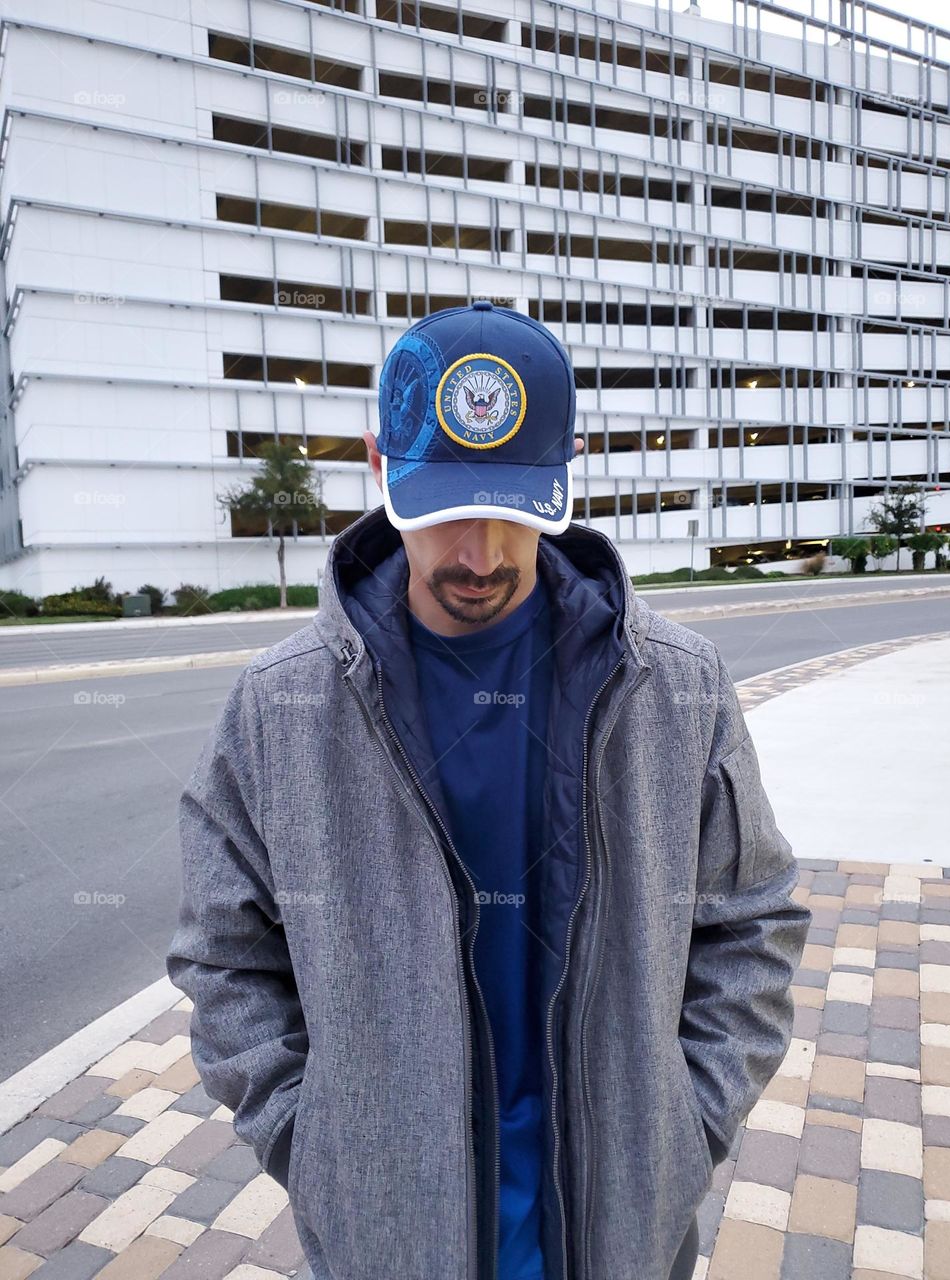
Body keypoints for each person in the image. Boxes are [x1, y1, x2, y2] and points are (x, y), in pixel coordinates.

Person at [166, 301, 812, 1280]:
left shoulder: (673, 688)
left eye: (513, 507)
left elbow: (751, 921)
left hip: (621, 1241)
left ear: (567, 473)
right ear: (380, 469)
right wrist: (324, 1150)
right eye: (443, 508)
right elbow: (223, 953)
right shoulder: (281, 709)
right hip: (390, 1246)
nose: (479, 553)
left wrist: (684, 1130)